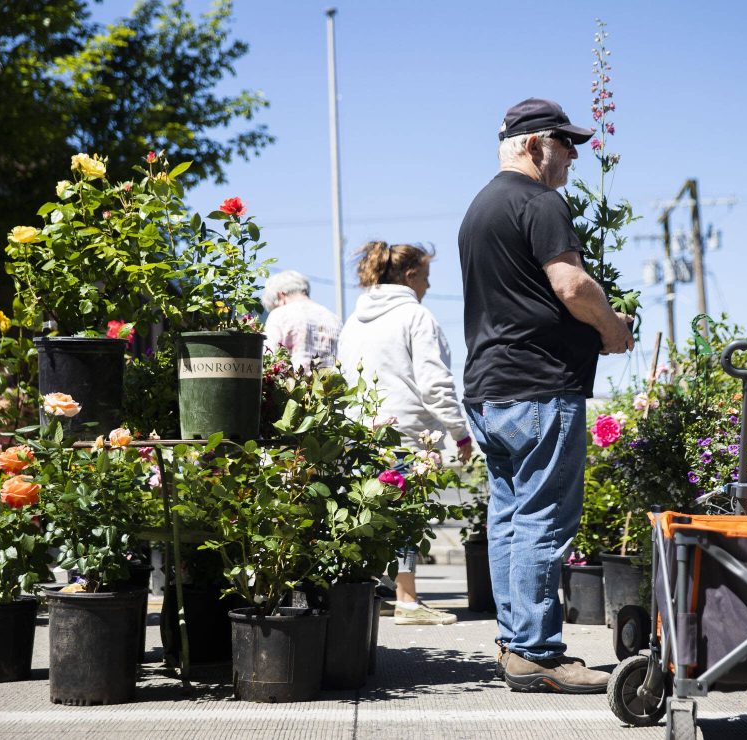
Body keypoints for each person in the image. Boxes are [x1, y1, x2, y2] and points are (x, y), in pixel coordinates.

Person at [458, 98, 635, 693]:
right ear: (534, 144)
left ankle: (516, 644)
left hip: (490, 387)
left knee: (509, 516)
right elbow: (571, 283)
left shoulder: (480, 208)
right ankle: (537, 649)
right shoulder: (538, 201)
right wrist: (611, 328)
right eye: (566, 145)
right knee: (541, 518)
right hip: (538, 385)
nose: (574, 158)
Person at [338, 240, 473, 626]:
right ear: (410, 275)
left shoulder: (354, 320)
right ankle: (408, 601)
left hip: (358, 429)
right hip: (404, 431)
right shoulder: (417, 317)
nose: (428, 286)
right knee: (405, 515)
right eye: (426, 277)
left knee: (368, 514)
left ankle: (375, 592)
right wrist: (459, 432)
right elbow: (434, 383)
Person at [261, 270, 341, 369]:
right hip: (333, 383)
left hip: (294, 383)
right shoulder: (334, 318)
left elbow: (268, 355)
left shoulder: (279, 314)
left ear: (280, 295)